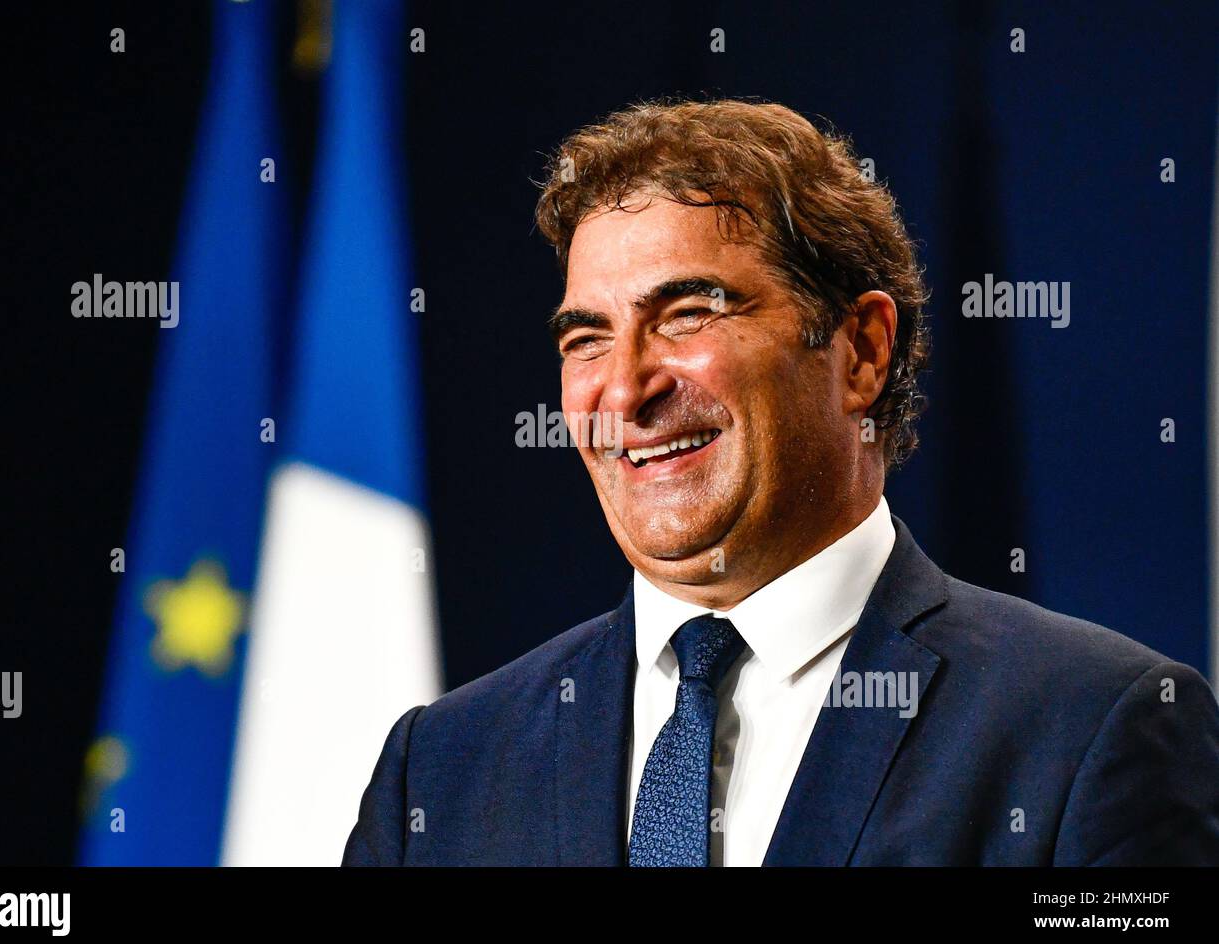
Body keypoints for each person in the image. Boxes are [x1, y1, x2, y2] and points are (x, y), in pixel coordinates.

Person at [343, 98, 1219, 866]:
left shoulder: (1092, 731)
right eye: (587, 339)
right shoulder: (446, 768)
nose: (625, 388)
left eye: (687, 314)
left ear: (862, 353)